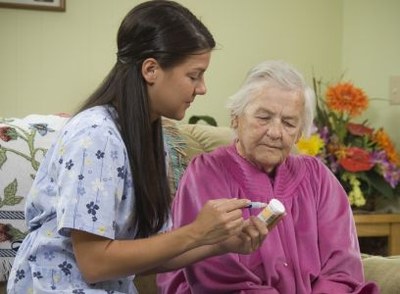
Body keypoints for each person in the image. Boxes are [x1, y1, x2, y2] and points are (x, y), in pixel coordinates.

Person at [7, 1, 268, 293]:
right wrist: (196, 232)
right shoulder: (96, 137)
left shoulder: (151, 139)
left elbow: (143, 255)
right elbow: (94, 263)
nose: (202, 88)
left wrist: (220, 243)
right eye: (194, 76)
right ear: (151, 70)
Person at [157, 60, 380, 293]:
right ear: (236, 118)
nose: (275, 133)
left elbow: (342, 267)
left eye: (288, 123)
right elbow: (212, 272)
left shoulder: (318, 177)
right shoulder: (206, 172)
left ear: (299, 133)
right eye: (263, 118)